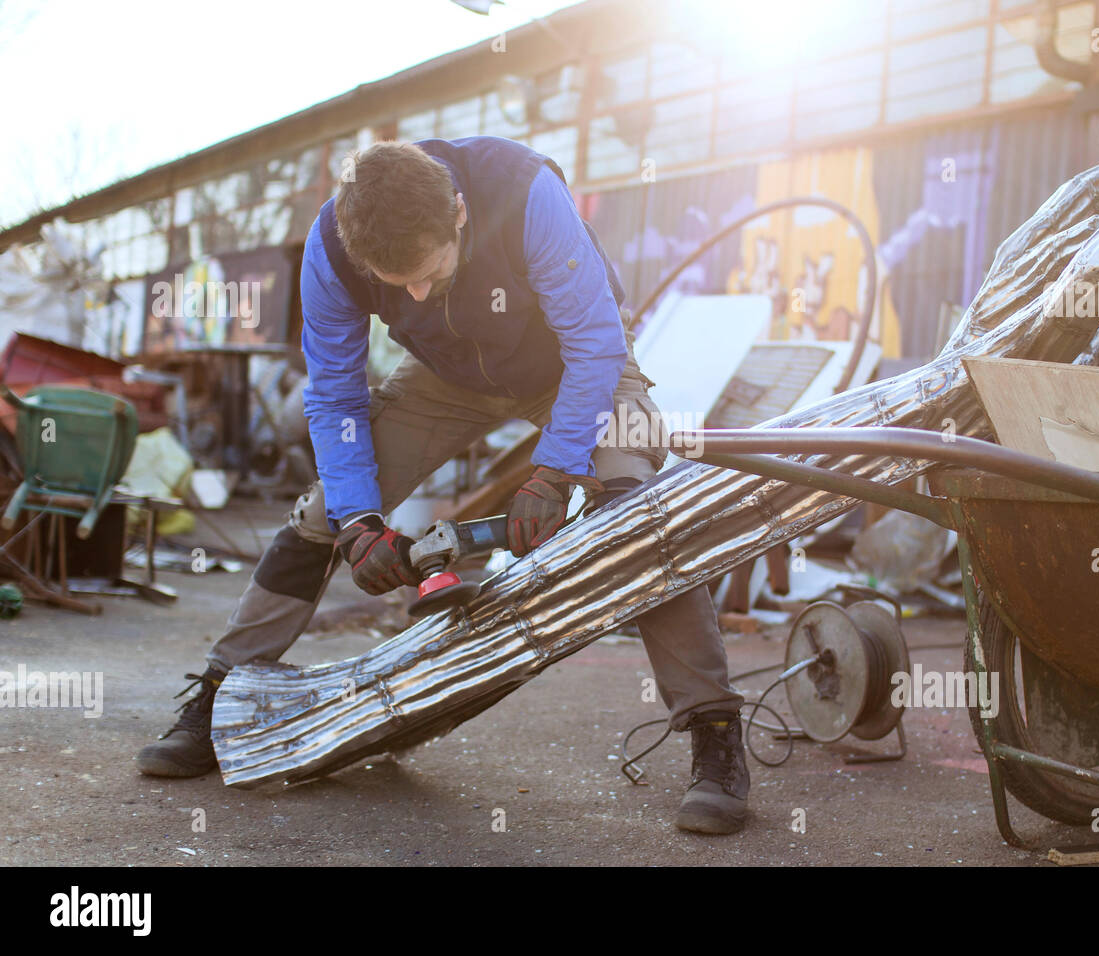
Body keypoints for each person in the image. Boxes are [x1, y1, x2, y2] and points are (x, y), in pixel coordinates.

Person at [135, 136, 751, 835]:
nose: (416, 295)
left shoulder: (525, 192)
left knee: (635, 506)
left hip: (572, 367)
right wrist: (359, 519)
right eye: (396, 285)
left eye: (427, 273)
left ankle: (715, 732)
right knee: (318, 515)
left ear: (459, 210)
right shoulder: (332, 245)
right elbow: (335, 397)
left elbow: (593, 344)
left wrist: (554, 468)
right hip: (445, 378)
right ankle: (216, 698)